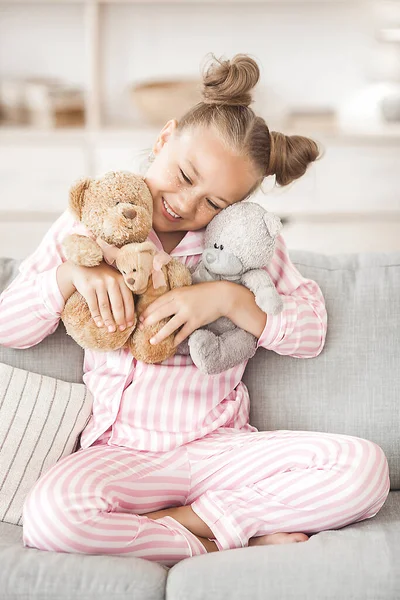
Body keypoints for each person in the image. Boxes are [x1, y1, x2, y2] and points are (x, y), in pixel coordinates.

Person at [0, 54, 390, 567]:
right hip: (120, 454)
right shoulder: (90, 222)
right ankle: (223, 538)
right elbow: (10, 326)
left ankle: (186, 521)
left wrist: (228, 299)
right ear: (164, 138)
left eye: (214, 202)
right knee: (51, 517)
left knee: (364, 468)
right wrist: (71, 276)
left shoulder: (244, 245)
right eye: (183, 175)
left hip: (219, 448)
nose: (186, 204)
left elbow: (310, 331)